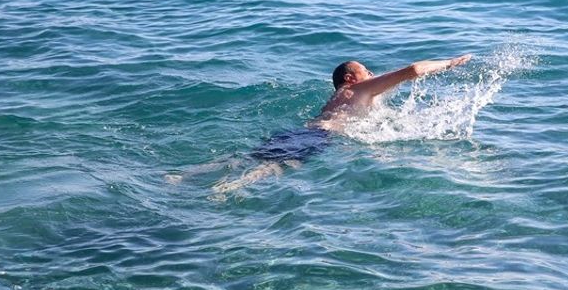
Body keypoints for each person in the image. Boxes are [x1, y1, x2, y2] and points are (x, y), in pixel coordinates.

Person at [167, 53, 472, 195]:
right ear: (351, 77)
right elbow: (414, 70)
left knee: (248, 157)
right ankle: (228, 188)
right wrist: (450, 63)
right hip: (318, 138)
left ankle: (184, 176)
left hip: (302, 131)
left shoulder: (341, 95)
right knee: (278, 166)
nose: (372, 73)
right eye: (366, 70)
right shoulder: (358, 89)